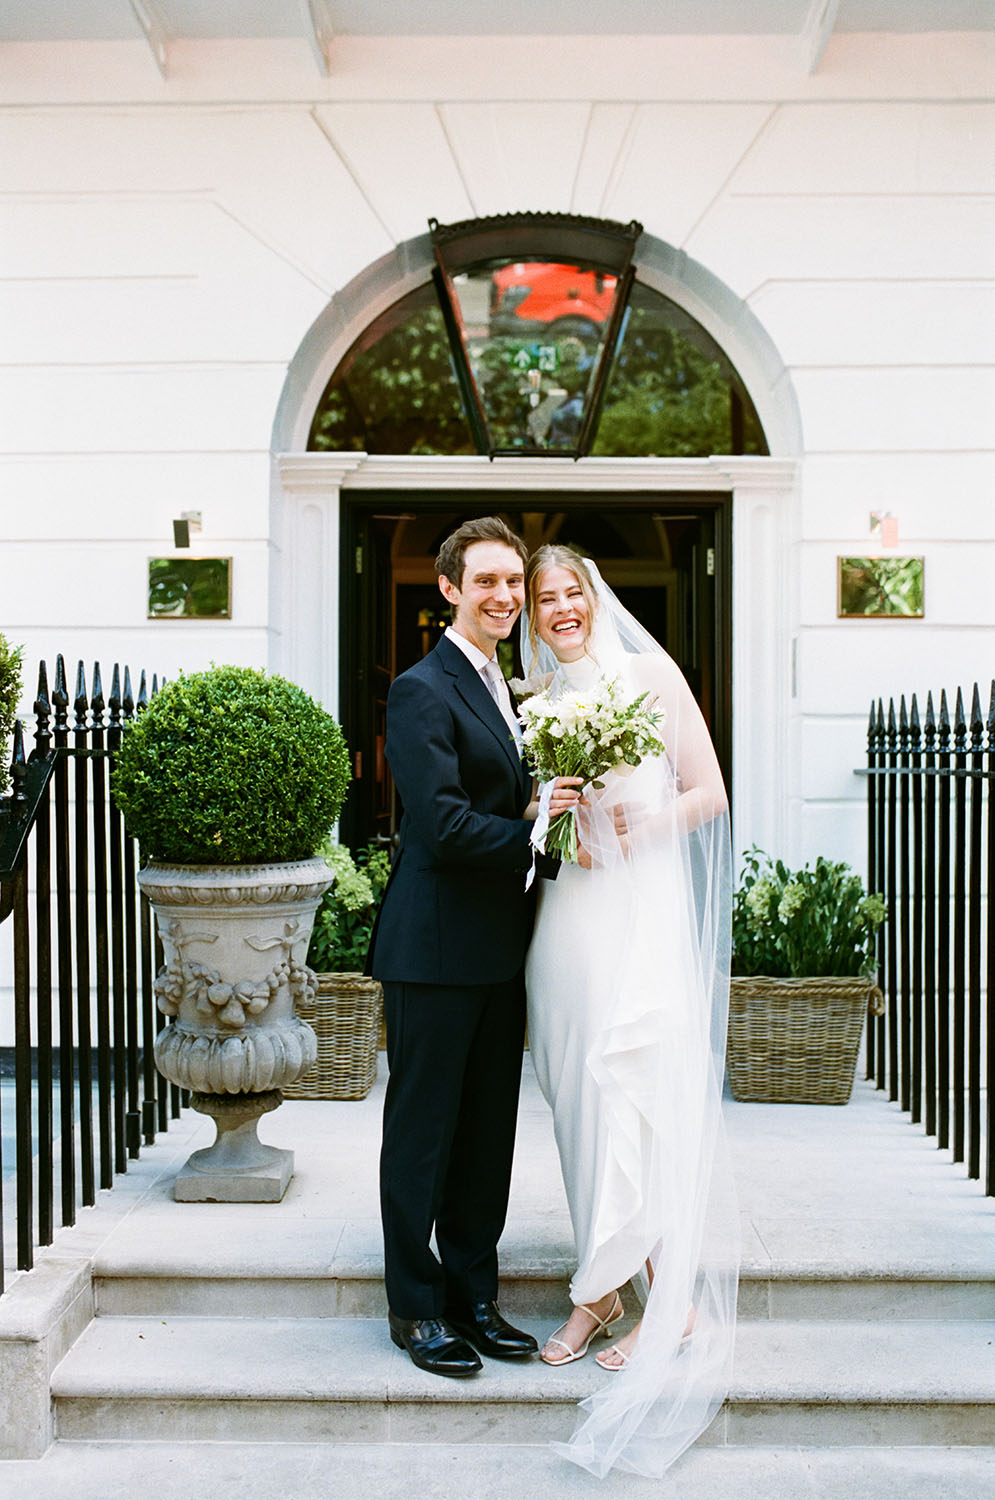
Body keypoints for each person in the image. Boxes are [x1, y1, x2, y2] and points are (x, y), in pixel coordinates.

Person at [522, 543, 738, 1477]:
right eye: (544, 598)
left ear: (594, 596)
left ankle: (662, 1292)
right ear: (531, 614)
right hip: (566, 919)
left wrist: (642, 827)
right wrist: (551, 810)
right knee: (576, 1097)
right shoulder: (532, 704)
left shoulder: (650, 676)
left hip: (639, 907)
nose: (560, 608)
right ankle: (604, 1285)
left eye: (571, 591)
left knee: (635, 1088)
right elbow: (532, 823)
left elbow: (708, 791)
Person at [367, 516, 573, 1379]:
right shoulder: (422, 687)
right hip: (435, 946)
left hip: (499, 947)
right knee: (423, 1136)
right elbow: (442, 825)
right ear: (449, 588)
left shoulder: (507, 686)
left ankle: (474, 1296)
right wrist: (535, 833)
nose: (502, 597)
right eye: (484, 581)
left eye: (511, 584)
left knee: (487, 1135)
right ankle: (416, 1310)